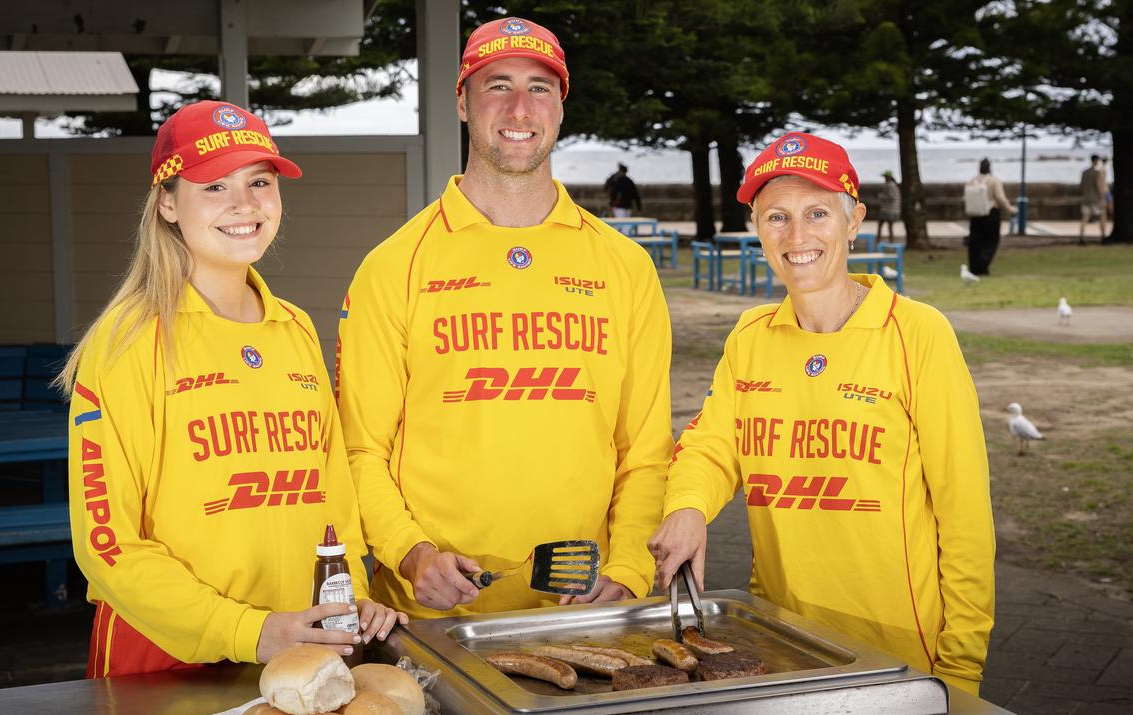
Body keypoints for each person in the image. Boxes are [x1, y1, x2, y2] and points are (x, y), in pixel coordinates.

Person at [335, 17, 672, 620]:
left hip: (579, 610)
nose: (520, 107)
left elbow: (645, 452)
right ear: (462, 102)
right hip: (435, 617)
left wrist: (628, 571)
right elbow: (360, 449)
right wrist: (411, 555)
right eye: (498, 85)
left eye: (540, 88)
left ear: (561, 109)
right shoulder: (393, 266)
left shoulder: (625, 266)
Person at [57, 101, 402, 677]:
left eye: (259, 182)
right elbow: (107, 545)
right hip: (167, 655)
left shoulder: (294, 329)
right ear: (167, 202)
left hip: (302, 643)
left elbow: (334, 505)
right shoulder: (126, 342)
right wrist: (251, 631)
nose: (244, 205)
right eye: (214, 186)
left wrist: (349, 597)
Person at [647, 132, 995, 696]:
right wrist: (688, 507)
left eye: (816, 213)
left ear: (854, 220)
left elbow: (966, 517)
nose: (797, 235)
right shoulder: (751, 336)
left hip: (900, 651)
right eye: (776, 217)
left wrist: (960, 669)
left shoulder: (918, 333)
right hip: (781, 638)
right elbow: (710, 445)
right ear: (757, 230)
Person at [964, 158, 1014, 275]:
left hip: (975, 215)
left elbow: (965, 197)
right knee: (991, 241)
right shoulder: (993, 181)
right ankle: (983, 264)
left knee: (975, 242)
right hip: (991, 214)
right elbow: (1000, 198)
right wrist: (1010, 209)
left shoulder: (972, 181)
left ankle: (974, 267)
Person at [1078, 154, 1106, 244]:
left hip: (1086, 198)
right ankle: (1103, 237)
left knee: (1084, 218)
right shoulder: (1097, 173)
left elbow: (1081, 186)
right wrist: (1102, 197)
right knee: (1102, 216)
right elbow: (1099, 186)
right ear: (1097, 161)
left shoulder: (1084, 172)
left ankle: (1081, 238)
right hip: (1096, 199)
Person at [875, 170, 900, 243]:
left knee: (880, 225)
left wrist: (881, 196)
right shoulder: (894, 185)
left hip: (888, 210)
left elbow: (891, 198)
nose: (884, 179)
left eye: (885, 177)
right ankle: (891, 241)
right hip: (894, 210)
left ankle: (878, 241)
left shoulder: (889, 185)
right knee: (890, 227)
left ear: (888, 177)